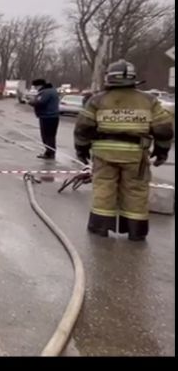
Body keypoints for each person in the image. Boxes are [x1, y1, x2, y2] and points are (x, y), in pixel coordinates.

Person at [74, 59, 174, 241]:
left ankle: (100, 227)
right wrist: (162, 151)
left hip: (104, 154)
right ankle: (136, 231)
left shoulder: (97, 100)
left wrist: (81, 149)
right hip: (136, 155)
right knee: (136, 191)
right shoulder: (149, 100)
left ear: (109, 78)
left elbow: (83, 128)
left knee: (104, 187)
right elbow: (164, 129)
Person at [30, 78, 60, 159]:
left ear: (40, 85)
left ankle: (49, 153)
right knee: (51, 136)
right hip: (53, 116)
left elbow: (40, 102)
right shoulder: (52, 90)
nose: (35, 89)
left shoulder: (45, 92)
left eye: (36, 87)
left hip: (47, 116)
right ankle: (50, 152)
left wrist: (31, 102)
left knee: (47, 136)